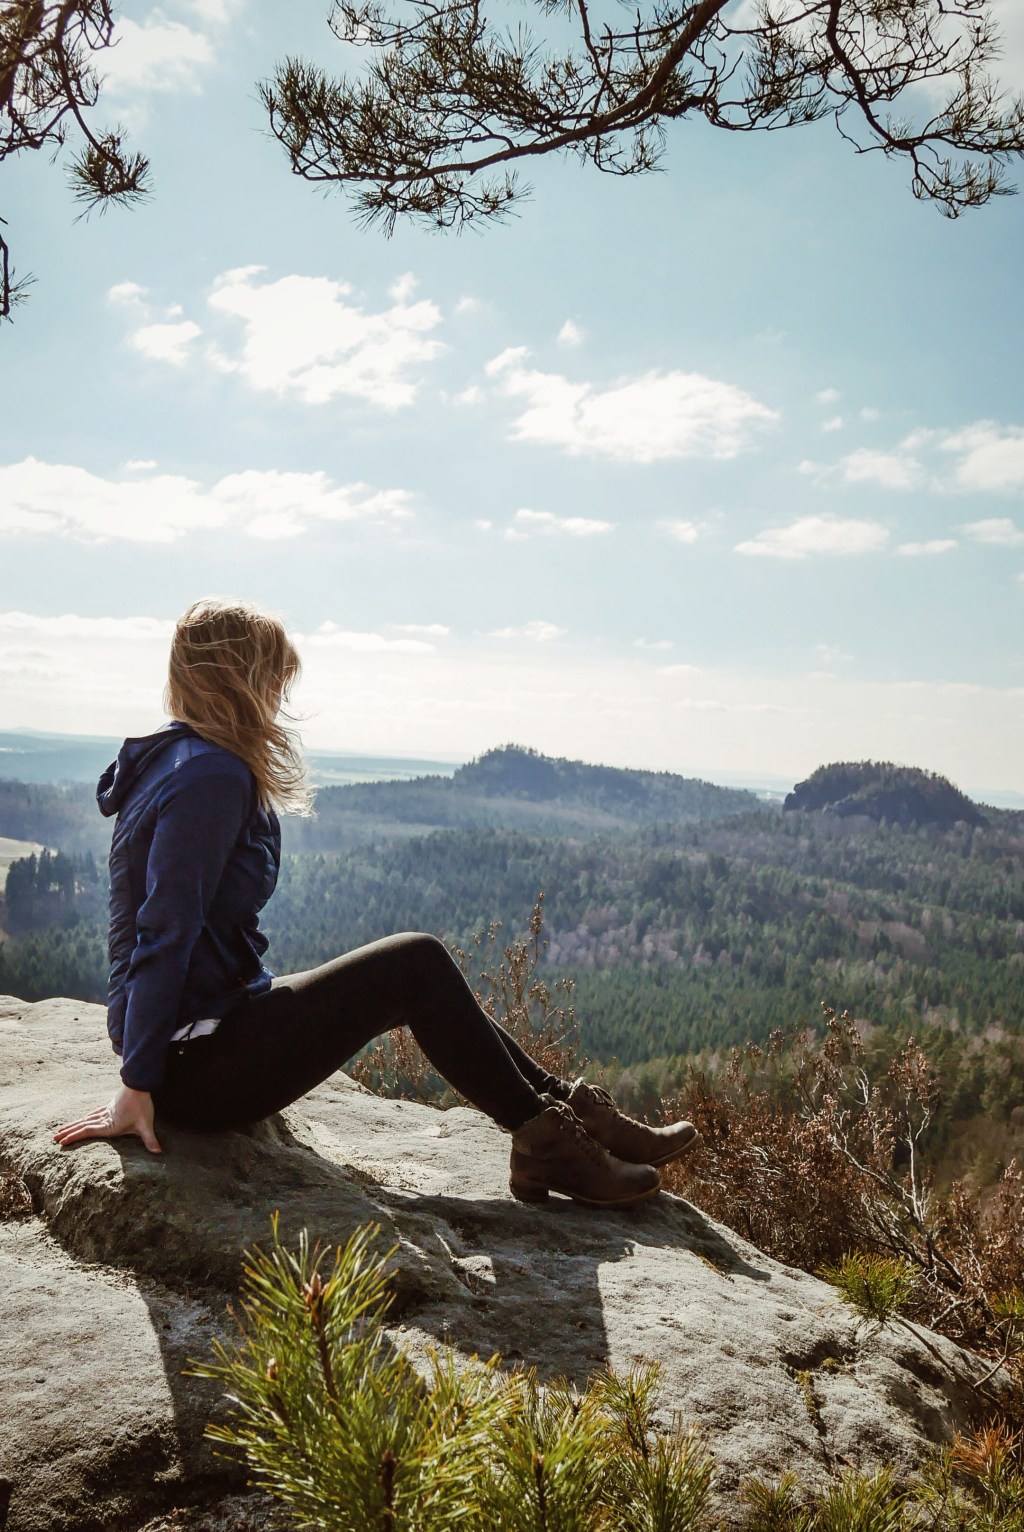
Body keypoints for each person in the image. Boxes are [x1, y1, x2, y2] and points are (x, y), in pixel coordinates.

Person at [54, 598, 699, 1207]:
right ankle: (549, 1142)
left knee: (419, 974)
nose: (279, 697)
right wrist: (139, 1083)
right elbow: (163, 930)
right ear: (239, 681)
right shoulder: (209, 776)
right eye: (272, 679)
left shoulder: (180, 760)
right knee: (413, 964)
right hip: (198, 1062)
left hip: (210, 1031)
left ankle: (567, 1118)